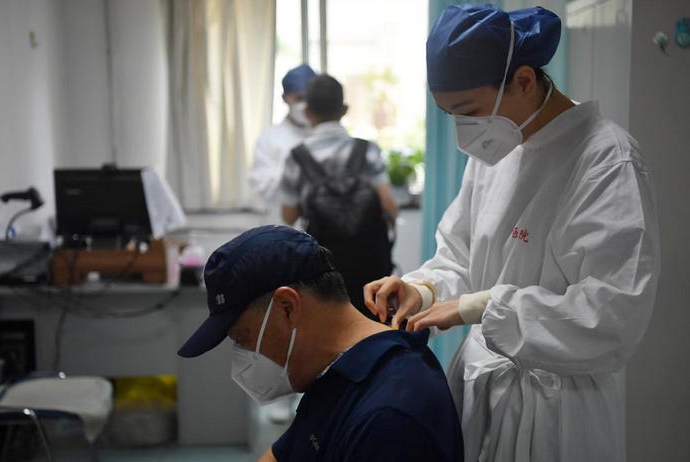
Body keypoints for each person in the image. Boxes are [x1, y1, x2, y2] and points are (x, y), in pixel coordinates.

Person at [364, 5, 660, 462]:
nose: (465, 132)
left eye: (469, 111)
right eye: (450, 115)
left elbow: (613, 314)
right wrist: (422, 290)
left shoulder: (605, 159)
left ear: (523, 81)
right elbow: (460, 254)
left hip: (560, 409)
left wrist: (482, 307)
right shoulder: (496, 149)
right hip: (480, 390)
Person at [177, 225, 463, 462]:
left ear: (288, 306)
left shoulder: (388, 418)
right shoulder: (338, 375)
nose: (243, 355)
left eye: (242, 337)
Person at [279, 74, 398, 316]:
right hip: (371, 271)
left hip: (324, 274)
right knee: (373, 327)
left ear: (308, 111)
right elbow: (389, 206)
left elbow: (288, 216)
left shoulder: (296, 157)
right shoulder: (367, 150)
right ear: (344, 109)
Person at [248, 64, 317, 223]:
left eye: (309, 98)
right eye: (299, 98)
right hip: (284, 228)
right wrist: (297, 175)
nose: (304, 105)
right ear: (285, 98)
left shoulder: (323, 135)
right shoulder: (269, 140)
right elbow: (263, 186)